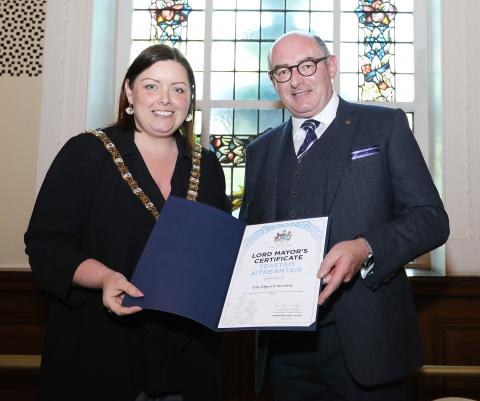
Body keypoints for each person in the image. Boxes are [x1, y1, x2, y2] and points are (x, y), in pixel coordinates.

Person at [239, 31, 449, 401]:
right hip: (285, 352)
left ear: (330, 66)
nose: (296, 79)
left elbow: (431, 218)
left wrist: (366, 248)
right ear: (274, 83)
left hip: (368, 342)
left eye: (306, 65)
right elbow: (246, 240)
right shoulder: (260, 151)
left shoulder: (383, 126)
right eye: (283, 72)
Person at [25, 44, 229, 401]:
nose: (165, 99)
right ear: (129, 92)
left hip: (187, 358)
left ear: (189, 100)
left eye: (178, 89)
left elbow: (219, 250)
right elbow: (47, 244)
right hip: (101, 349)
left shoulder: (207, 166)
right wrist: (104, 277)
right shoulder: (86, 153)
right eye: (151, 86)